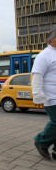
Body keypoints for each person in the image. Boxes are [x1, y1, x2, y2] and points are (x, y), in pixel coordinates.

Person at [31, 28, 56, 160]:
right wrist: (38, 96)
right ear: (51, 39)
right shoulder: (44, 55)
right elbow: (37, 76)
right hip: (51, 97)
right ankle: (41, 141)